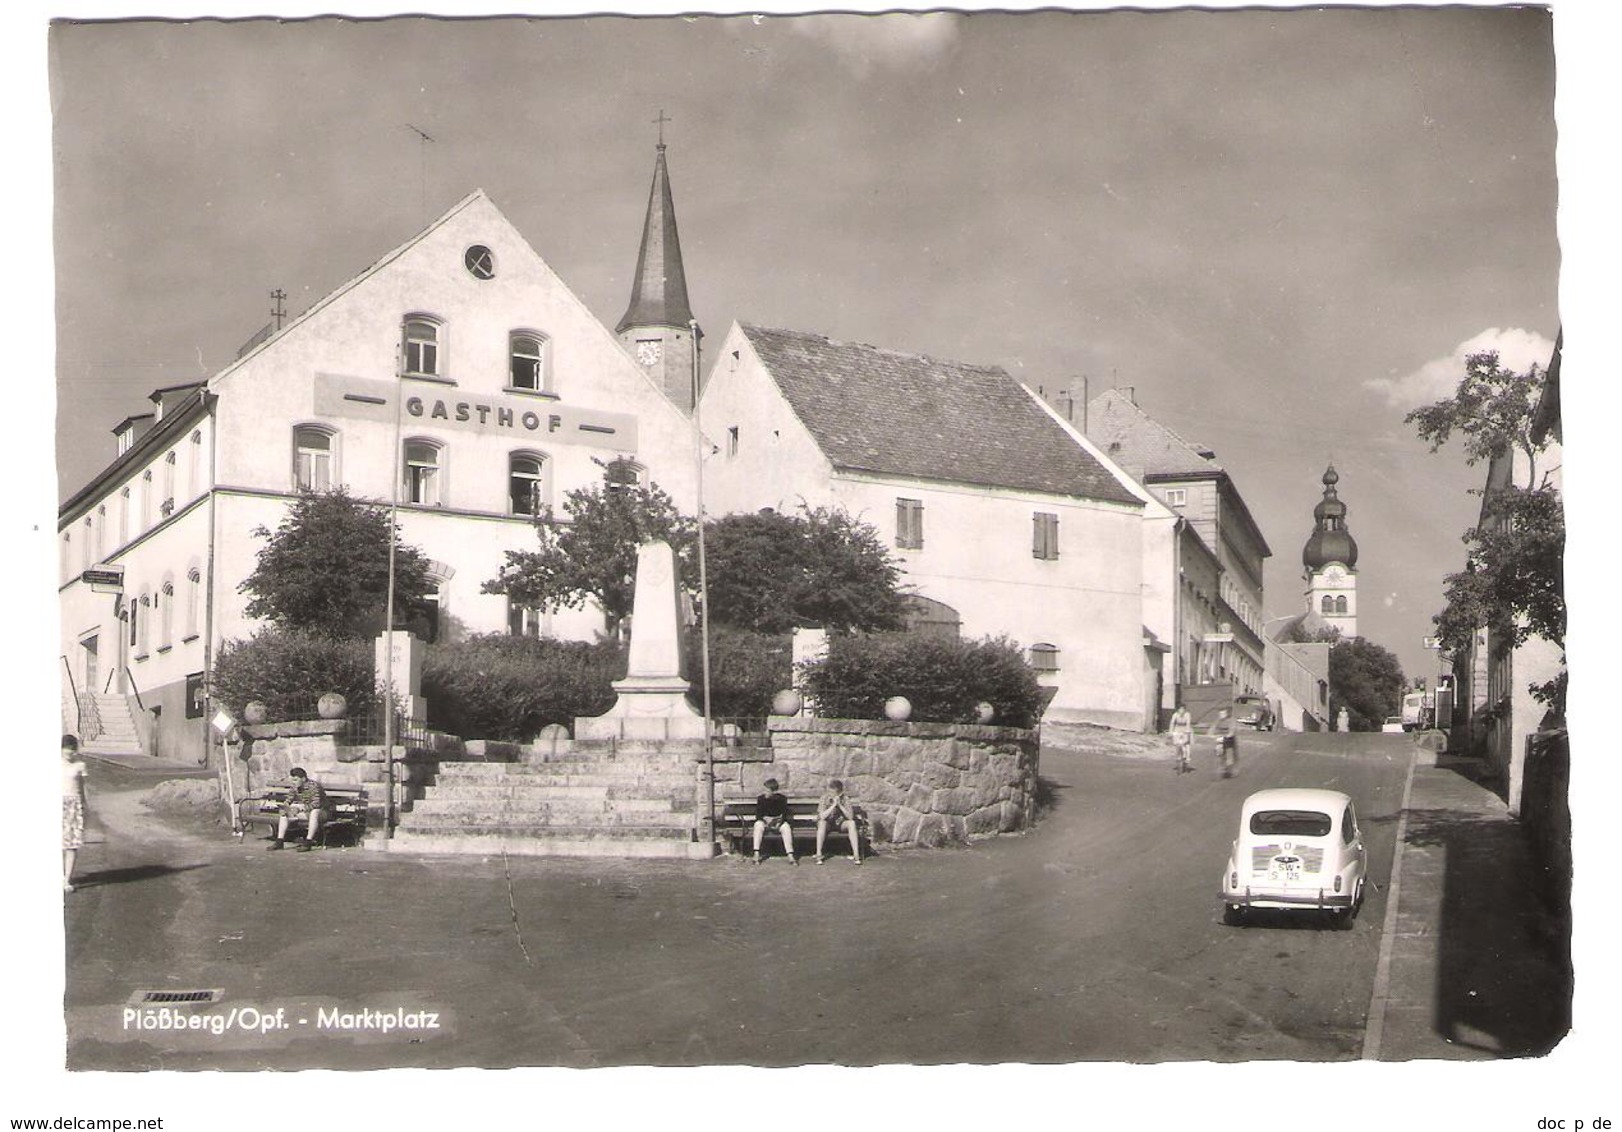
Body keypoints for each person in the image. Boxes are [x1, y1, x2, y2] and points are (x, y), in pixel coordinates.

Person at [270, 767, 326, 852]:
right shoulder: (295, 786)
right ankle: (279, 841)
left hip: (323, 812)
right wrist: (285, 807)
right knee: (285, 813)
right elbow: (289, 799)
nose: (293, 782)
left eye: (296, 780)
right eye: (292, 780)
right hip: (307, 811)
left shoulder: (314, 786)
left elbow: (316, 804)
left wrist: (301, 809)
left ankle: (308, 842)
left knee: (314, 812)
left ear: (303, 779)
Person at [814, 779, 863, 865]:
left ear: (839, 793)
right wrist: (833, 805)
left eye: (833, 793)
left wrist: (840, 805)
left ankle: (856, 855)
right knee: (821, 823)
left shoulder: (845, 799)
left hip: (840, 823)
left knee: (852, 823)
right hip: (827, 823)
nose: (831, 795)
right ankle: (819, 854)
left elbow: (850, 817)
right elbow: (822, 817)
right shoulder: (824, 798)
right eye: (830, 792)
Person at [63, 734, 88, 893]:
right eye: (66, 748)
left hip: (74, 806)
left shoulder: (80, 765)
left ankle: (66, 880)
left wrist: (86, 807)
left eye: (72, 749)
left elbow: (83, 788)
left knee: (72, 845)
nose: (69, 752)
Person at [751, 778, 796, 864]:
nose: (765, 792)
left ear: (773, 791)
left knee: (786, 827)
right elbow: (758, 815)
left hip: (777, 823)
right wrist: (765, 819)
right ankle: (756, 853)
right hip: (765, 823)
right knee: (758, 825)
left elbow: (784, 814)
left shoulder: (782, 799)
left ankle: (790, 855)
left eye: (767, 790)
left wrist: (779, 822)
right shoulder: (761, 799)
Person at [1214, 709, 1239, 778]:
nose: (1221, 716)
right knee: (1220, 753)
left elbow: (1232, 730)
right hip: (1221, 739)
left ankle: (1231, 770)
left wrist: (1228, 735)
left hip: (1229, 740)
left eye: (1223, 714)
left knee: (1230, 754)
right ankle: (1223, 768)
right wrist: (1214, 734)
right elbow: (1214, 728)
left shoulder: (1231, 721)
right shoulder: (1219, 721)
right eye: (1220, 714)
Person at [1169, 705, 1193, 775]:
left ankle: (1187, 760)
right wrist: (1171, 732)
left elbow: (1188, 724)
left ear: (1185, 710)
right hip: (1177, 730)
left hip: (1185, 730)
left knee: (1187, 746)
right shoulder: (1175, 715)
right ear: (1178, 710)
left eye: (1183, 709)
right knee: (1177, 745)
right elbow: (1172, 723)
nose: (1181, 711)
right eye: (1180, 709)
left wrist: (1188, 732)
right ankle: (1178, 759)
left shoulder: (1187, 715)